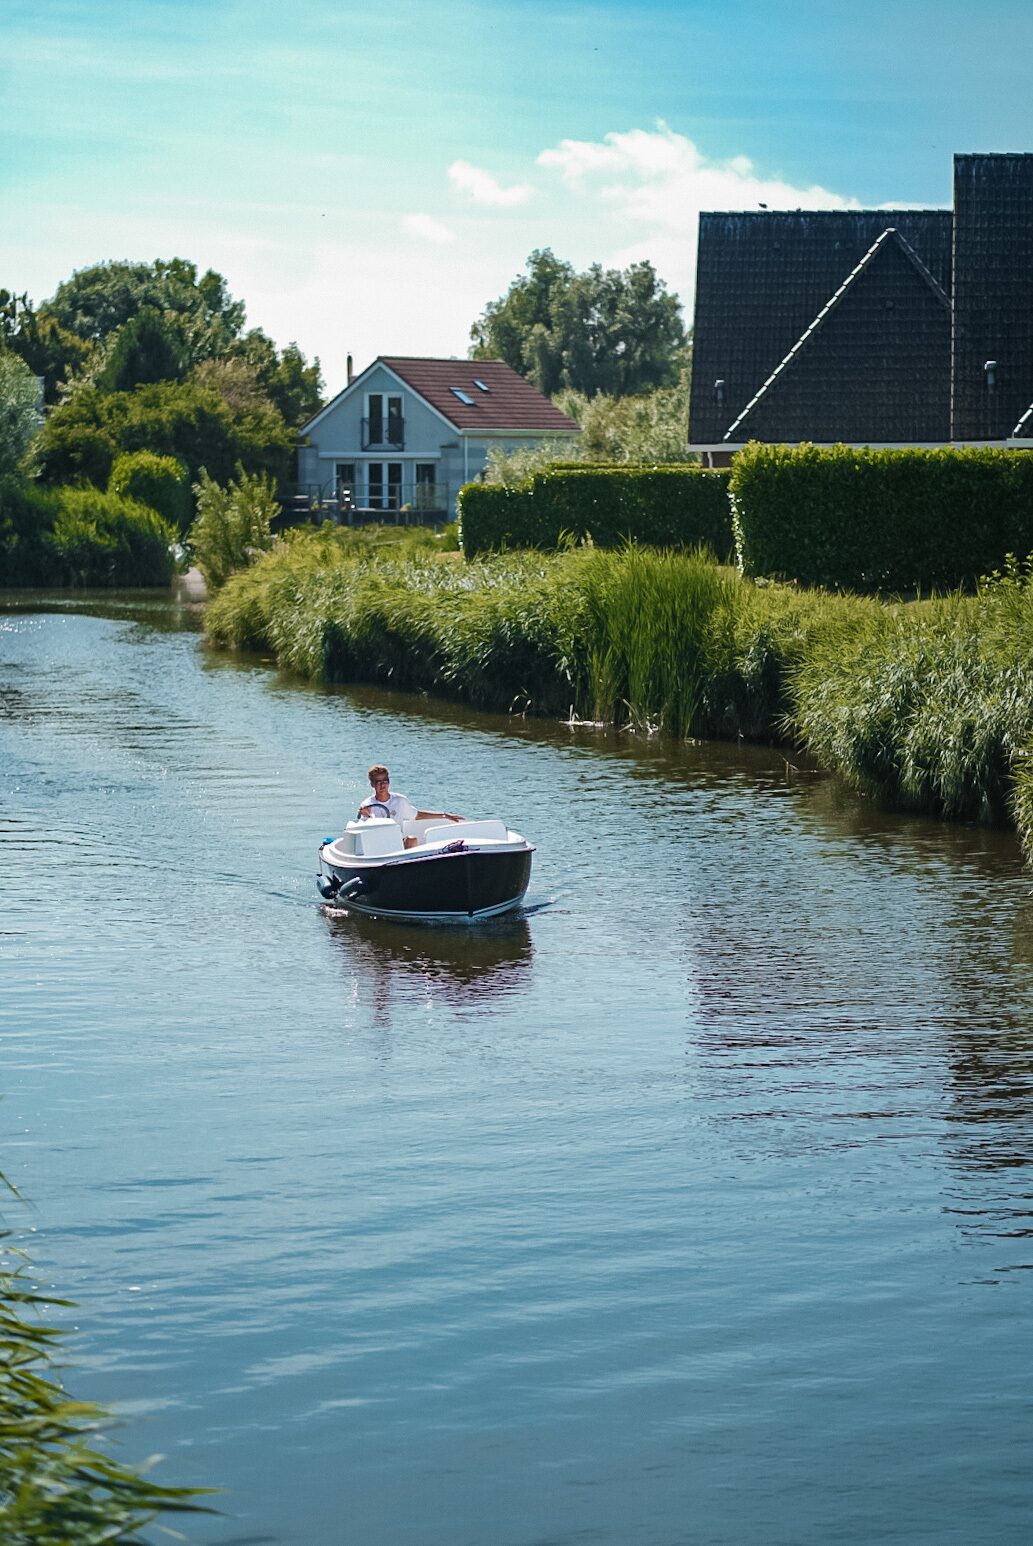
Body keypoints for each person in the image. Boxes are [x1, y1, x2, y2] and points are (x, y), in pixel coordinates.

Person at [357, 765, 463, 848]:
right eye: (378, 782)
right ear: (372, 784)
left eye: (385, 781)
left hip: (396, 842)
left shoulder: (399, 800)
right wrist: (366, 815)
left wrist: (444, 815)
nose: (382, 785)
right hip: (376, 844)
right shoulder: (368, 804)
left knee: (412, 839)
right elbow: (364, 823)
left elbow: (417, 815)